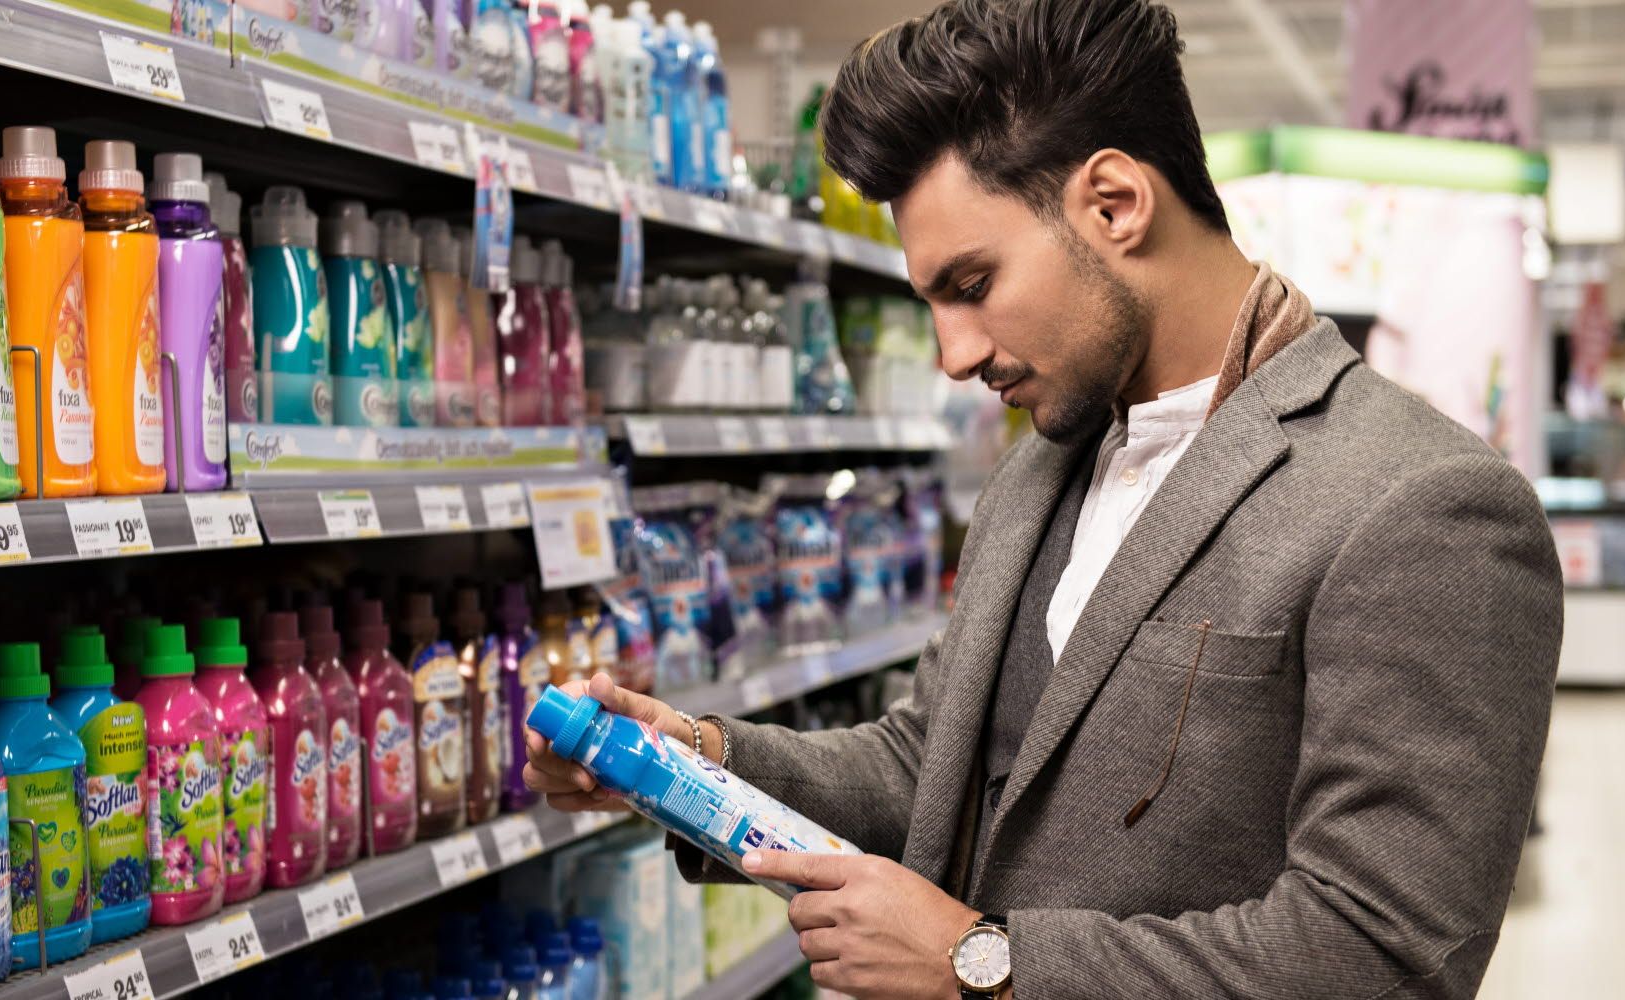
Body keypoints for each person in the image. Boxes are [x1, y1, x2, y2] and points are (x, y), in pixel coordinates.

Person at [526, 1, 1563, 996]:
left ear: (1112, 204)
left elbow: (1383, 953)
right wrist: (695, 761)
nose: (951, 354)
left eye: (970, 286)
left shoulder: (1422, 504)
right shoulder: (1041, 465)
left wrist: (984, 964)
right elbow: (931, 764)